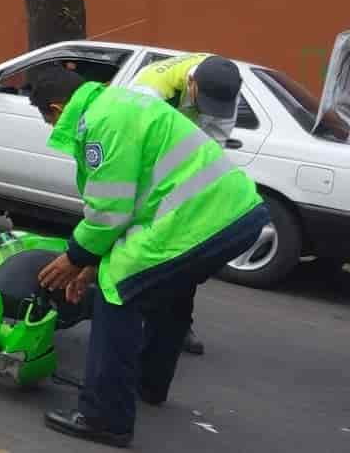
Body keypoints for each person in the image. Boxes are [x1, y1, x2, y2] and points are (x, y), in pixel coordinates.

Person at [28, 65, 268, 448]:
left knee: (118, 289)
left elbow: (109, 210)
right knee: (166, 289)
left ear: (57, 109)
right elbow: (133, 202)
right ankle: (148, 384)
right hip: (237, 214)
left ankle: (105, 416)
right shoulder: (124, 103)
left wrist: (76, 257)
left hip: (201, 219)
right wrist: (90, 261)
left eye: (49, 120)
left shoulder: (101, 122)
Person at [126, 52, 243, 356]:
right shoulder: (149, 89)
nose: (213, 111)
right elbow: (133, 146)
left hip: (181, 169)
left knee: (182, 253)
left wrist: (191, 196)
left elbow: (212, 146)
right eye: (205, 103)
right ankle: (126, 318)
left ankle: (177, 326)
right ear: (191, 83)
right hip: (142, 170)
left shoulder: (224, 82)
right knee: (132, 249)